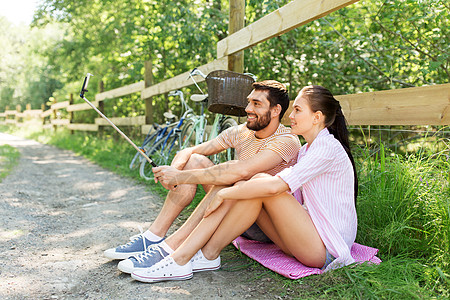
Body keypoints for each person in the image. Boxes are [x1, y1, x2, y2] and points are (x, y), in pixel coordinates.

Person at [129, 85, 359, 283]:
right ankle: (207, 255)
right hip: (305, 237)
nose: (292, 115)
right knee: (253, 186)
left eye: (298, 110)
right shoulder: (307, 149)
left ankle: (178, 258)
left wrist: (226, 194)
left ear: (317, 117)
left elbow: (275, 187)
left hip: (326, 248)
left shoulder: (327, 148)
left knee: (259, 181)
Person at [103, 80, 301, 274]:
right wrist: (175, 169)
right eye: (249, 102)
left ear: (276, 110)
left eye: (256, 104)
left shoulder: (287, 140)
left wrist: (179, 177)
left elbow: (242, 171)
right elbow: (191, 151)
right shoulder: (242, 132)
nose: (248, 108)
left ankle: (171, 247)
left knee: (235, 178)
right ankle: (154, 235)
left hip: (264, 224)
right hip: (231, 211)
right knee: (196, 160)